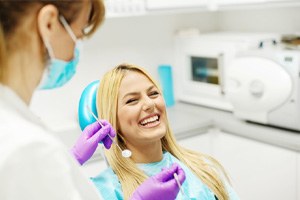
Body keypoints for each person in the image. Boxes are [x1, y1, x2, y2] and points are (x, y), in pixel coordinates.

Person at [0, 1, 185, 200]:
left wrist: (71, 159)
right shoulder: (26, 147)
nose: (74, 52)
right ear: (49, 24)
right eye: (78, 35)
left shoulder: (17, 129)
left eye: (154, 93)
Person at [91, 63, 241, 200]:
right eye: (132, 100)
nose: (149, 104)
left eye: (153, 94)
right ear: (112, 121)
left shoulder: (202, 169)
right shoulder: (104, 190)